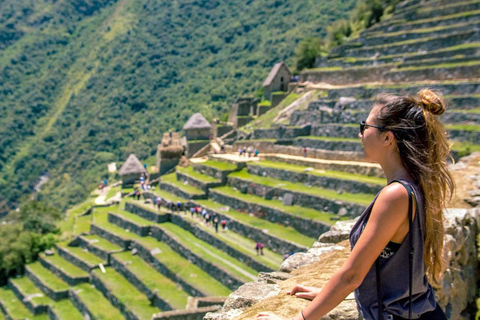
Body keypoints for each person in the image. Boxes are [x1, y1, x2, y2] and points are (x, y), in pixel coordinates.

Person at [256, 89, 454, 320]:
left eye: (365, 127)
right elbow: (391, 267)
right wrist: (326, 295)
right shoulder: (417, 184)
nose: (360, 135)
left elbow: (352, 275)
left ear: (387, 138)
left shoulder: (396, 195)